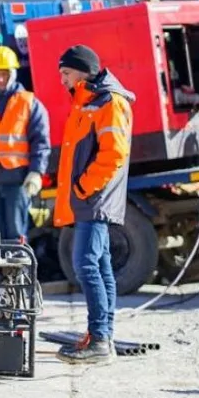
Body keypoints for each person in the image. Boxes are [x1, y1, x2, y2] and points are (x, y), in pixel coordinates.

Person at [52, 44, 134, 365]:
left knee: (85, 264)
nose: (63, 80)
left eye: (66, 73)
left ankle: (100, 339)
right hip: (90, 198)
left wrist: (83, 187)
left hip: (94, 198)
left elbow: (114, 154)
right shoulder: (87, 101)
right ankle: (103, 337)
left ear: (84, 71)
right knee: (99, 266)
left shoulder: (108, 103)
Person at [0, 45, 51, 242]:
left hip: (17, 181)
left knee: (16, 234)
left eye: (5, 74)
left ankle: (16, 271)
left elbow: (41, 143)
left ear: (13, 74)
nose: (0, 79)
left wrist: (36, 172)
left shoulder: (29, 102)